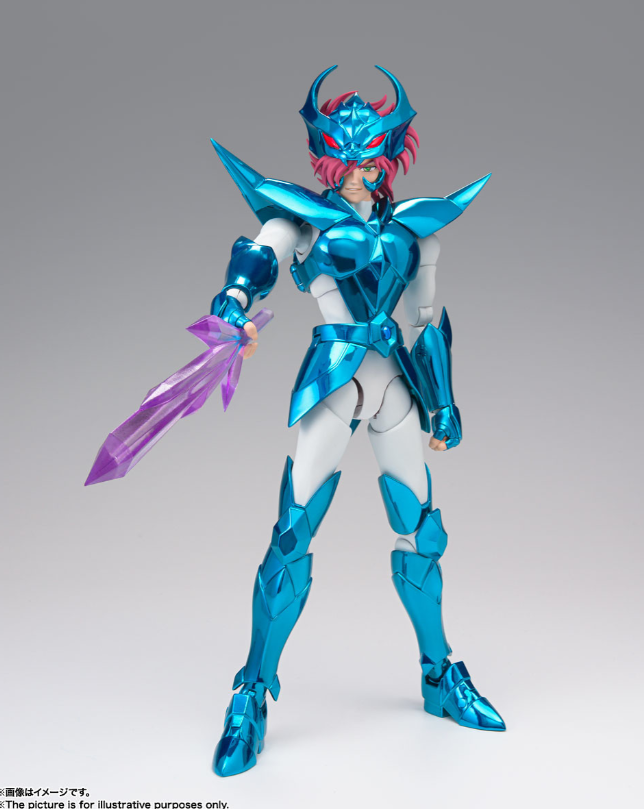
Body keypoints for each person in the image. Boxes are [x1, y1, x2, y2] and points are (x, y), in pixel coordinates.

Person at [209, 65, 505, 778]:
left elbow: (425, 320)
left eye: (370, 162)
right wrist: (232, 303)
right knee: (291, 536)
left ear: (390, 155)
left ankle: (440, 674)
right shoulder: (301, 219)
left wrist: (443, 402)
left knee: (422, 533)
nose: (357, 174)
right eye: (345, 163)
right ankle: (251, 694)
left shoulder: (415, 233)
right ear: (326, 160)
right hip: (333, 381)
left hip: (394, 383)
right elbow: (260, 253)